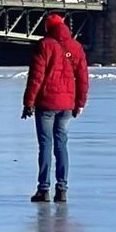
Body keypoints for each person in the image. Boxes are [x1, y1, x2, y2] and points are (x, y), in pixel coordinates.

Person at [21, 12, 89, 203]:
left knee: (45, 145)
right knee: (61, 145)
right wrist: (80, 103)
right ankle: (62, 189)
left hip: (46, 104)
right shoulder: (75, 47)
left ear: (48, 28)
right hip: (67, 105)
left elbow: (36, 77)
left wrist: (28, 102)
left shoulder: (44, 45)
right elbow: (83, 78)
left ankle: (43, 189)